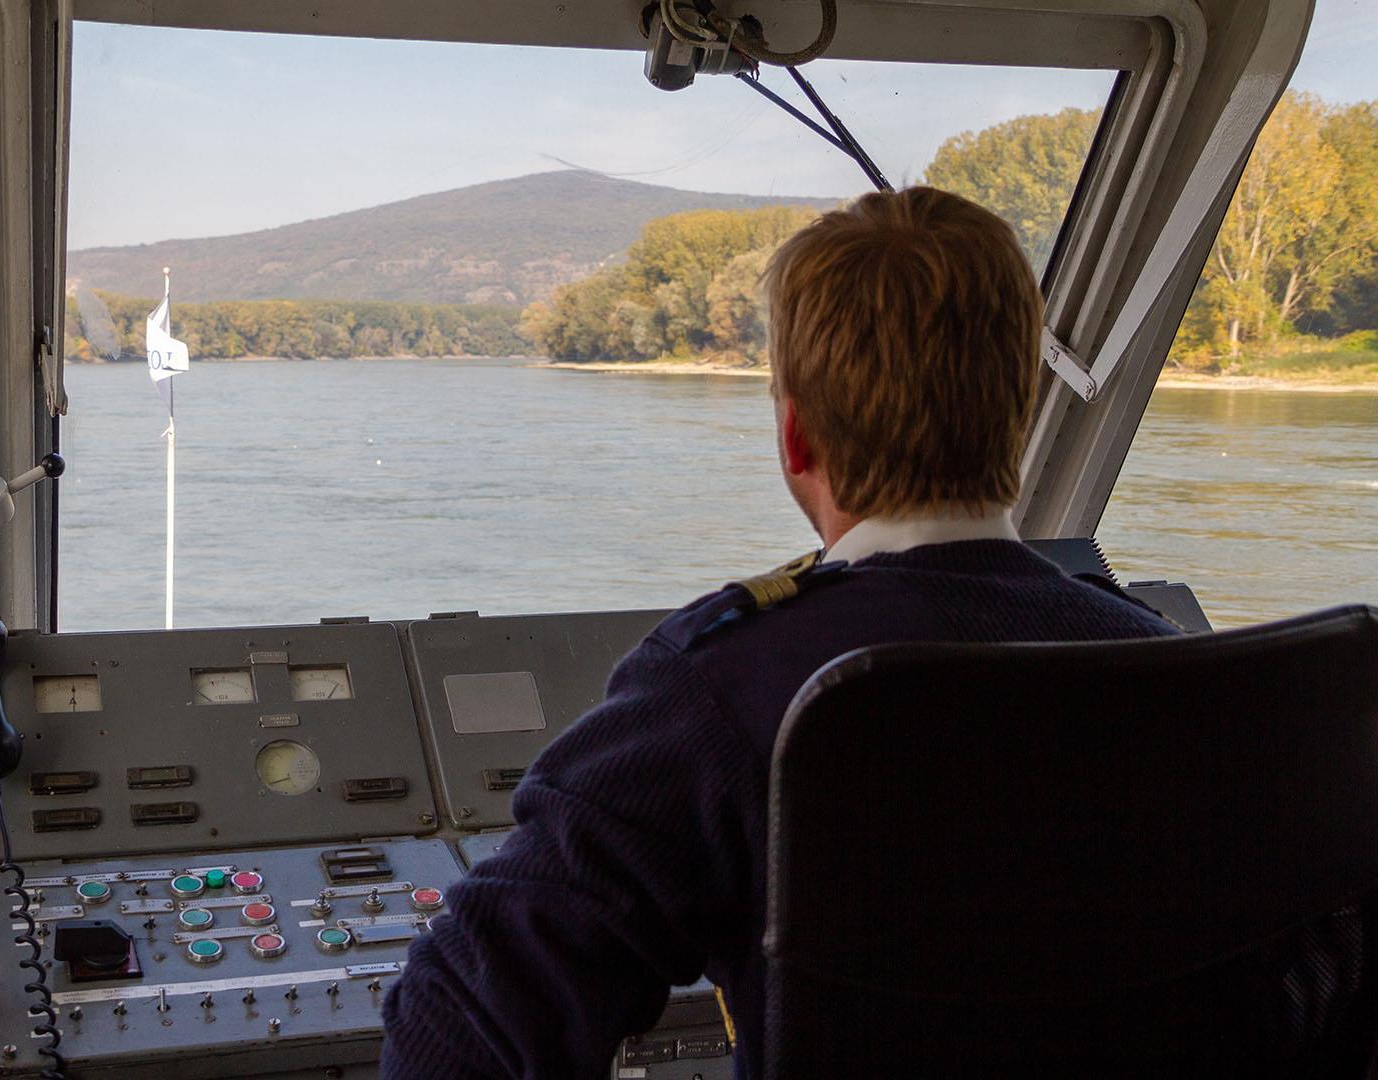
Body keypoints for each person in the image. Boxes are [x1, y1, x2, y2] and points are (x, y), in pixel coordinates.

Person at [378, 187, 1180, 1078]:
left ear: (797, 437)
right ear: (1020, 416)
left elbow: (457, 1023)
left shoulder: (726, 689)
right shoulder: (1179, 671)